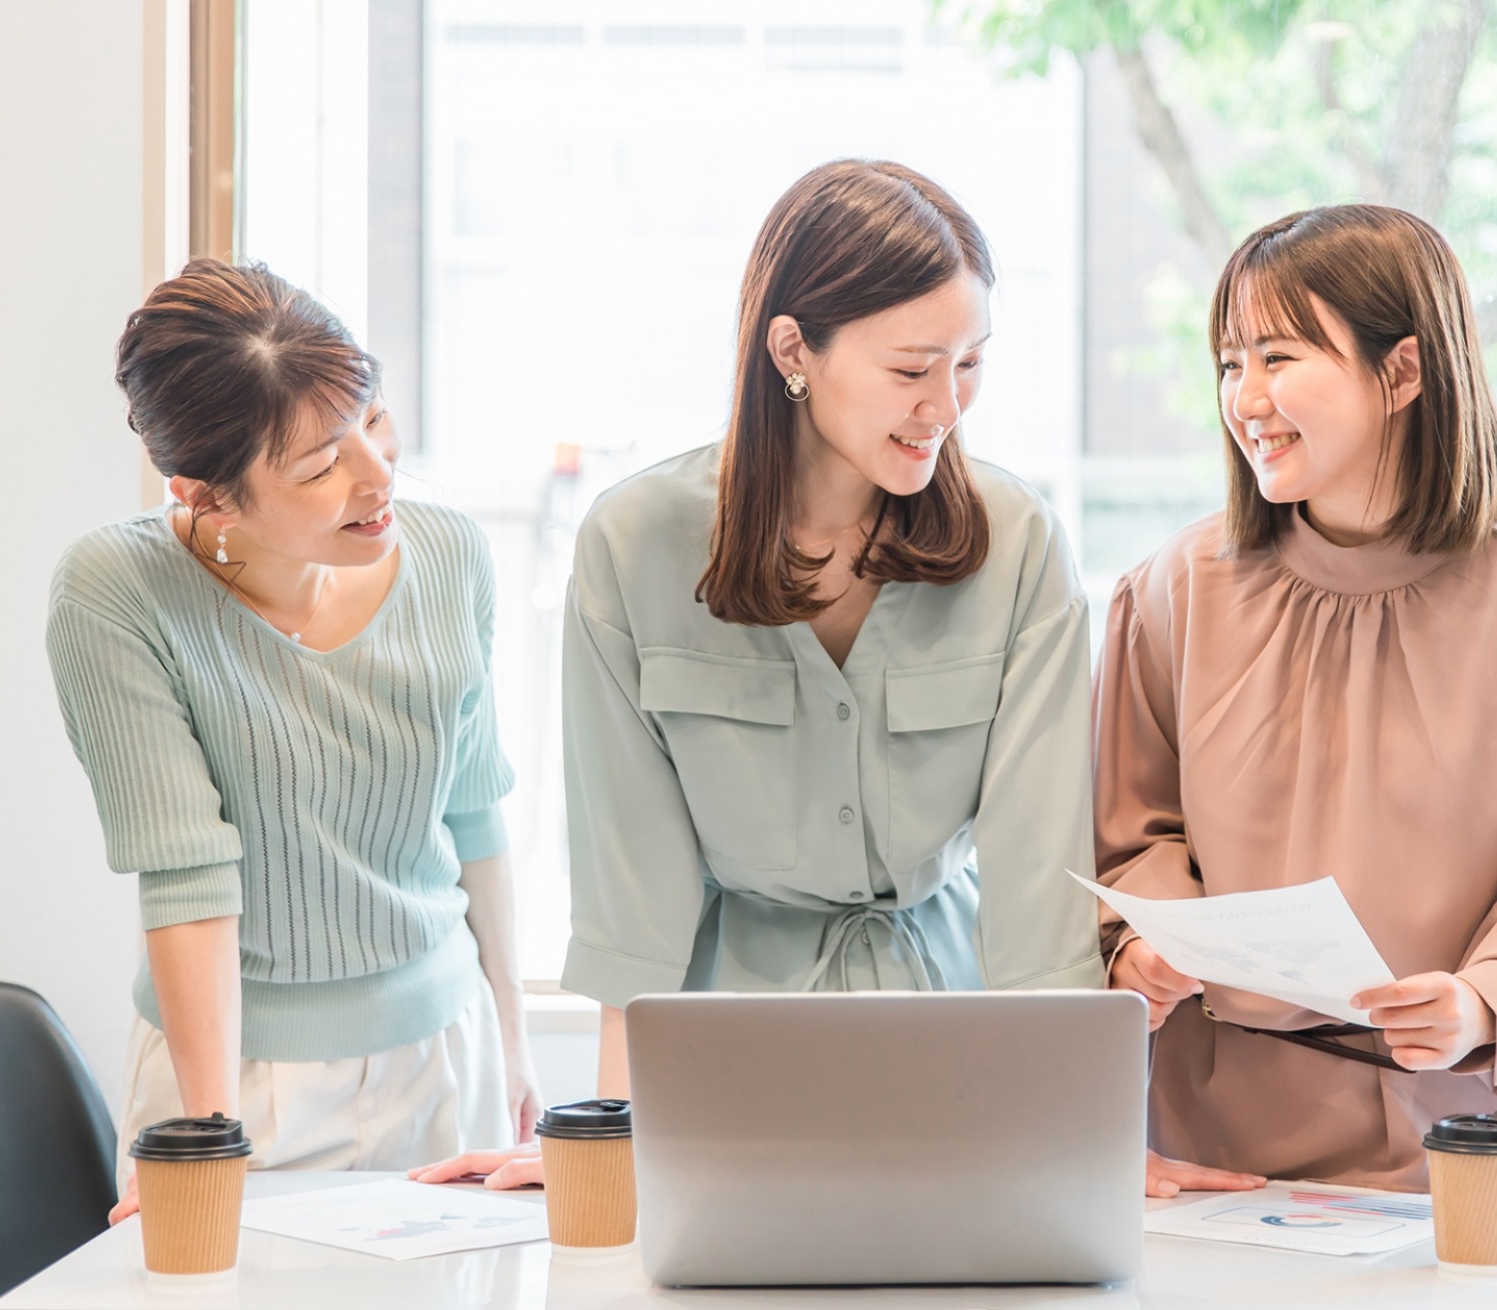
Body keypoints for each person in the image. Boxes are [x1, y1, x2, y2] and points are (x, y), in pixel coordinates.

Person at [414, 159, 1102, 1191]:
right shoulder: (635, 543)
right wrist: (611, 1146)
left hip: (960, 1055)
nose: (944, 406)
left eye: (970, 363)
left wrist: (1081, 1144)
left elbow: (1038, 887)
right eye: (912, 368)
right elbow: (631, 895)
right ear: (793, 348)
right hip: (719, 1065)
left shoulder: (1017, 543)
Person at [1095, 204, 1497, 1195]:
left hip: (1439, 1167)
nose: (1245, 396)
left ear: (1403, 371)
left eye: (1278, 356)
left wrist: (1477, 1000)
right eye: (1230, 362)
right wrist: (1141, 944)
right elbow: (1124, 831)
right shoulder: (1172, 592)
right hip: (1194, 1158)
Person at [47, 261, 538, 1223]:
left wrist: (513, 1041)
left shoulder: (449, 554)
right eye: (319, 467)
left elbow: (474, 811)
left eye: (374, 416)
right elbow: (188, 879)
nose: (376, 471)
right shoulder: (117, 594)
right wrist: (209, 1137)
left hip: (449, 1053)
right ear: (209, 497)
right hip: (234, 1079)